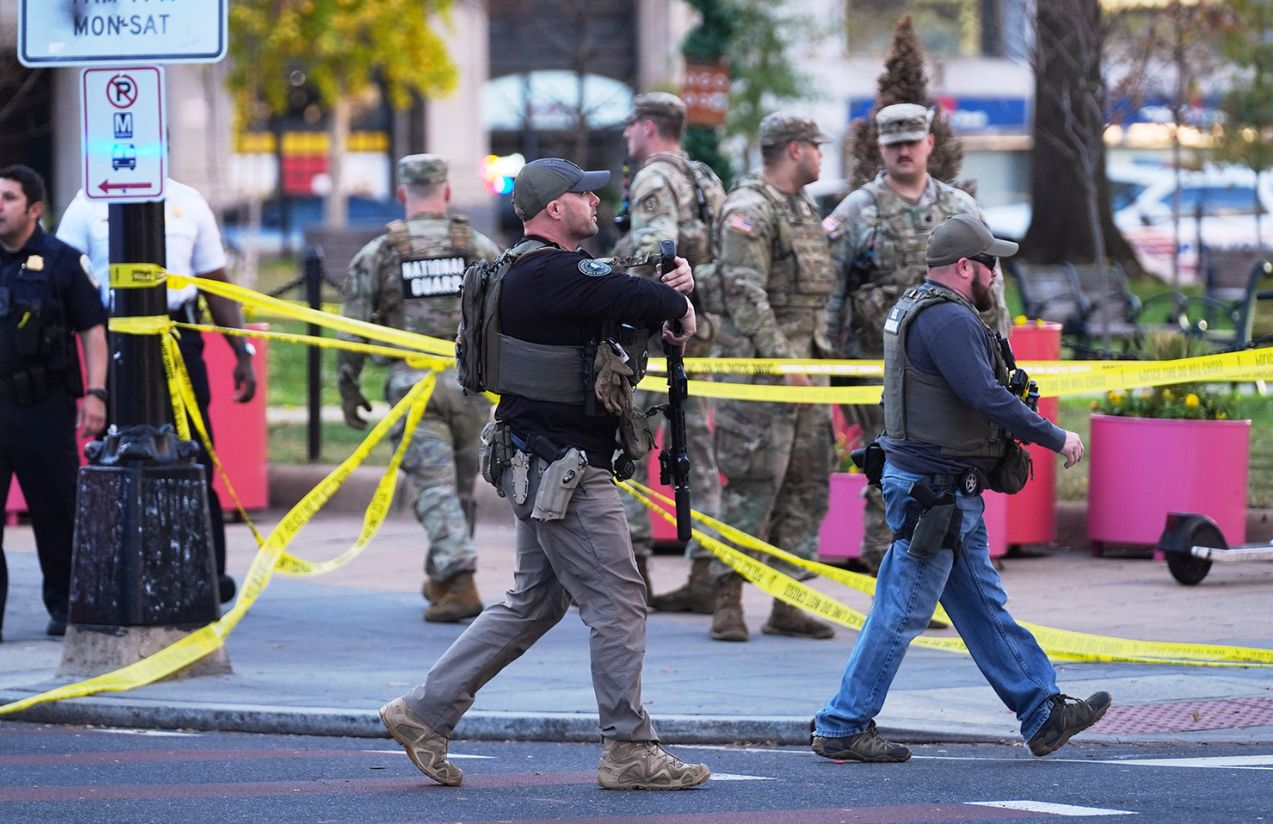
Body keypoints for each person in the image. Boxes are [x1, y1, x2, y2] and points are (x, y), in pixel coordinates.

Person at [379, 157, 710, 790]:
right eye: (584, 193)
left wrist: (669, 292)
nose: (595, 201)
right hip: (568, 471)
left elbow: (618, 301)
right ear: (555, 208)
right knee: (618, 603)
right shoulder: (555, 274)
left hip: (536, 460)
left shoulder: (522, 274)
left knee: (535, 601)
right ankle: (630, 750)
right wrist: (676, 294)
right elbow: (639, 297)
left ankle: (423, 712)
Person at [811, 214, 1109, 763]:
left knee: (981, 607)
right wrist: (1053, 435)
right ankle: (843, 722)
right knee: (901, 612)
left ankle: (1042, 711)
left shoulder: (916, 307)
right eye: (990, 264)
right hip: (935, 492)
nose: (996, 275)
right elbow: (986, 397)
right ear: (965, 266)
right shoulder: (948, 320)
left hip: (941, 490)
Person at [823, 103, 1011, 576]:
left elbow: (993, 287)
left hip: (949, 372)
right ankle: (887, 567)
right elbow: (830, 293)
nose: (904, 151)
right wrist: (823, 363)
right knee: (888, 465)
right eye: (894, 143)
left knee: (944, 468)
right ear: (880, 148)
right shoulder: (857, 211)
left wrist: (1001, 357)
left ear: (930, 143)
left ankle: (933, 568)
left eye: (912, 141)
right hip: (875, 366)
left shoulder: (960, 209)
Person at [57, 178, 258, 606]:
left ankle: (207, 573)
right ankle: (118, 573)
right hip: (117, 339)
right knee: (116, 457)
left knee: (194, 451)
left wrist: (242, 350)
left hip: (178, 336)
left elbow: (214, 282)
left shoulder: (188, 199)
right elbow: (63, 280)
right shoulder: (88, 202)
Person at [338, 154, 502, 623]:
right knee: (461, 487)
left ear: (403, 193)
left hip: (414, 388)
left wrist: (349, 388)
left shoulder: (381, 252)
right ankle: (444, 578)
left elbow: (351, 328)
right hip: (471, 385)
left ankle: (461, 577)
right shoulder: (478, 246)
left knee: (433, 486)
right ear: (447, 193)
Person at [699, 111, 838, 644]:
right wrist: (785, 363)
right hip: (763, 375)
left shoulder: (801, 206)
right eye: (818, 148)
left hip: (809, 367)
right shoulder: (749, 208)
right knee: (753, 487)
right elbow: (744, 293)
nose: (823, 157)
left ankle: (789, 601)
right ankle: (726, 596)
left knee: (807, 484)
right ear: (796, 150)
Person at [613, 92, 726, 610]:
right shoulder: (705, 178)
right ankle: (708, 571)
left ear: (649, 127)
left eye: (630, 125)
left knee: (627, 445)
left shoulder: (653, 179)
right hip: (701, 333)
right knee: (698, 454)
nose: (625, 135)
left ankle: (632, 571)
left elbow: (655, 257)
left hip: (656, 339)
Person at [0, 165, 108, 640]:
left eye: (7, 199)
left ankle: (65, 608)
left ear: (35, 209)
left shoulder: (63, 262)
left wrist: (96, 393)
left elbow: (92, 331)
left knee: (55, 512)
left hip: (43, 405)